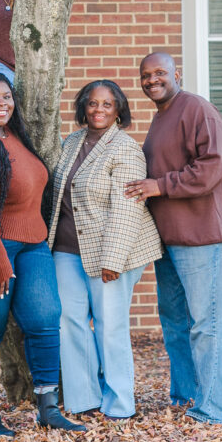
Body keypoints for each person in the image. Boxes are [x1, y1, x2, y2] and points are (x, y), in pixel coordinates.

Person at [0, 72, 86, 437]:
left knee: (44, 318)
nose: (0, 104)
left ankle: (48, 407)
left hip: (32, 242)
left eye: (5, 97)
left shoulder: (14, 137)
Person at [125, 52, 222, 425]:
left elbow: (213, 166)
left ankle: (209, 410)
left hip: (203, 238)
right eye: (146, 75)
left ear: (178, 74)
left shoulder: (196, 110)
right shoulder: (162, 117)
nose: (152, 80)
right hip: (169, 242)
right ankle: (185, 396)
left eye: (160, 73)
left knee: (206, 325)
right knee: (175, 323)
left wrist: (160, 186)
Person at [48, 80, 162, 419]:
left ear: (119, 111)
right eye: (93, 104)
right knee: (70, 321)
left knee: (110, 324)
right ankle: (84, 399)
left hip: (112, 253)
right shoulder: (71, 142)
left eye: (107, 105)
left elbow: (126, 210)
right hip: (66, 249)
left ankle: (120, 403)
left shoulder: (126, 149)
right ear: (83, 106)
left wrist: (113, 260)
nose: (99, 110)